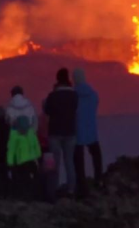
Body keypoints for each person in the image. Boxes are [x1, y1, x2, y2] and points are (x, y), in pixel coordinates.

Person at [44, 68, 78, 198]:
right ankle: (71, 190)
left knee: (53, 163)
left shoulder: (53, 96)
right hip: (70, 132)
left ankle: (51, 192)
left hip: (55, 133)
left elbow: (47, 111)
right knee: (69, 161)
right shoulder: (74, 96)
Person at [5, 86, 41, 200]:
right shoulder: (29, 106)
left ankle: (19, 194)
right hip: (29, 148)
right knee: (30, 172)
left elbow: (8, 123)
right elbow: (35, 124)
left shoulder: (10, 108)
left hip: (17, 150)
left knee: (18, 173)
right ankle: (32, 194)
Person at [72, 68, 103, 198]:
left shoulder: (73, 96)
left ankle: (81, 184)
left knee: (78, 160)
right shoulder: (93, 94)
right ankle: (99, 179)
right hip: (91, 129)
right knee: (96, 154)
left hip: (77, 130)